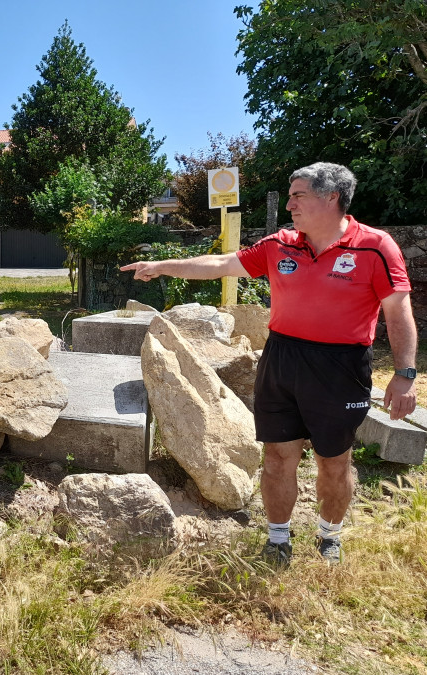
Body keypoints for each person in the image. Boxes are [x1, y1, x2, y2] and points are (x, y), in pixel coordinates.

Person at [121, 162, 418, 565]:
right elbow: (222, 264)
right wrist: (161, 266)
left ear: (331, 198)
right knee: (278, 456)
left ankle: (330, 535)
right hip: (281, 358)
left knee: (334, 460)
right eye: (291, 196)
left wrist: (404, 375)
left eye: (298, 195)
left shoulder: (375, 246)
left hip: (340, 366)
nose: (291, 204)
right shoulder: (281, 244)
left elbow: (398, 313)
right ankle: (278, 539)